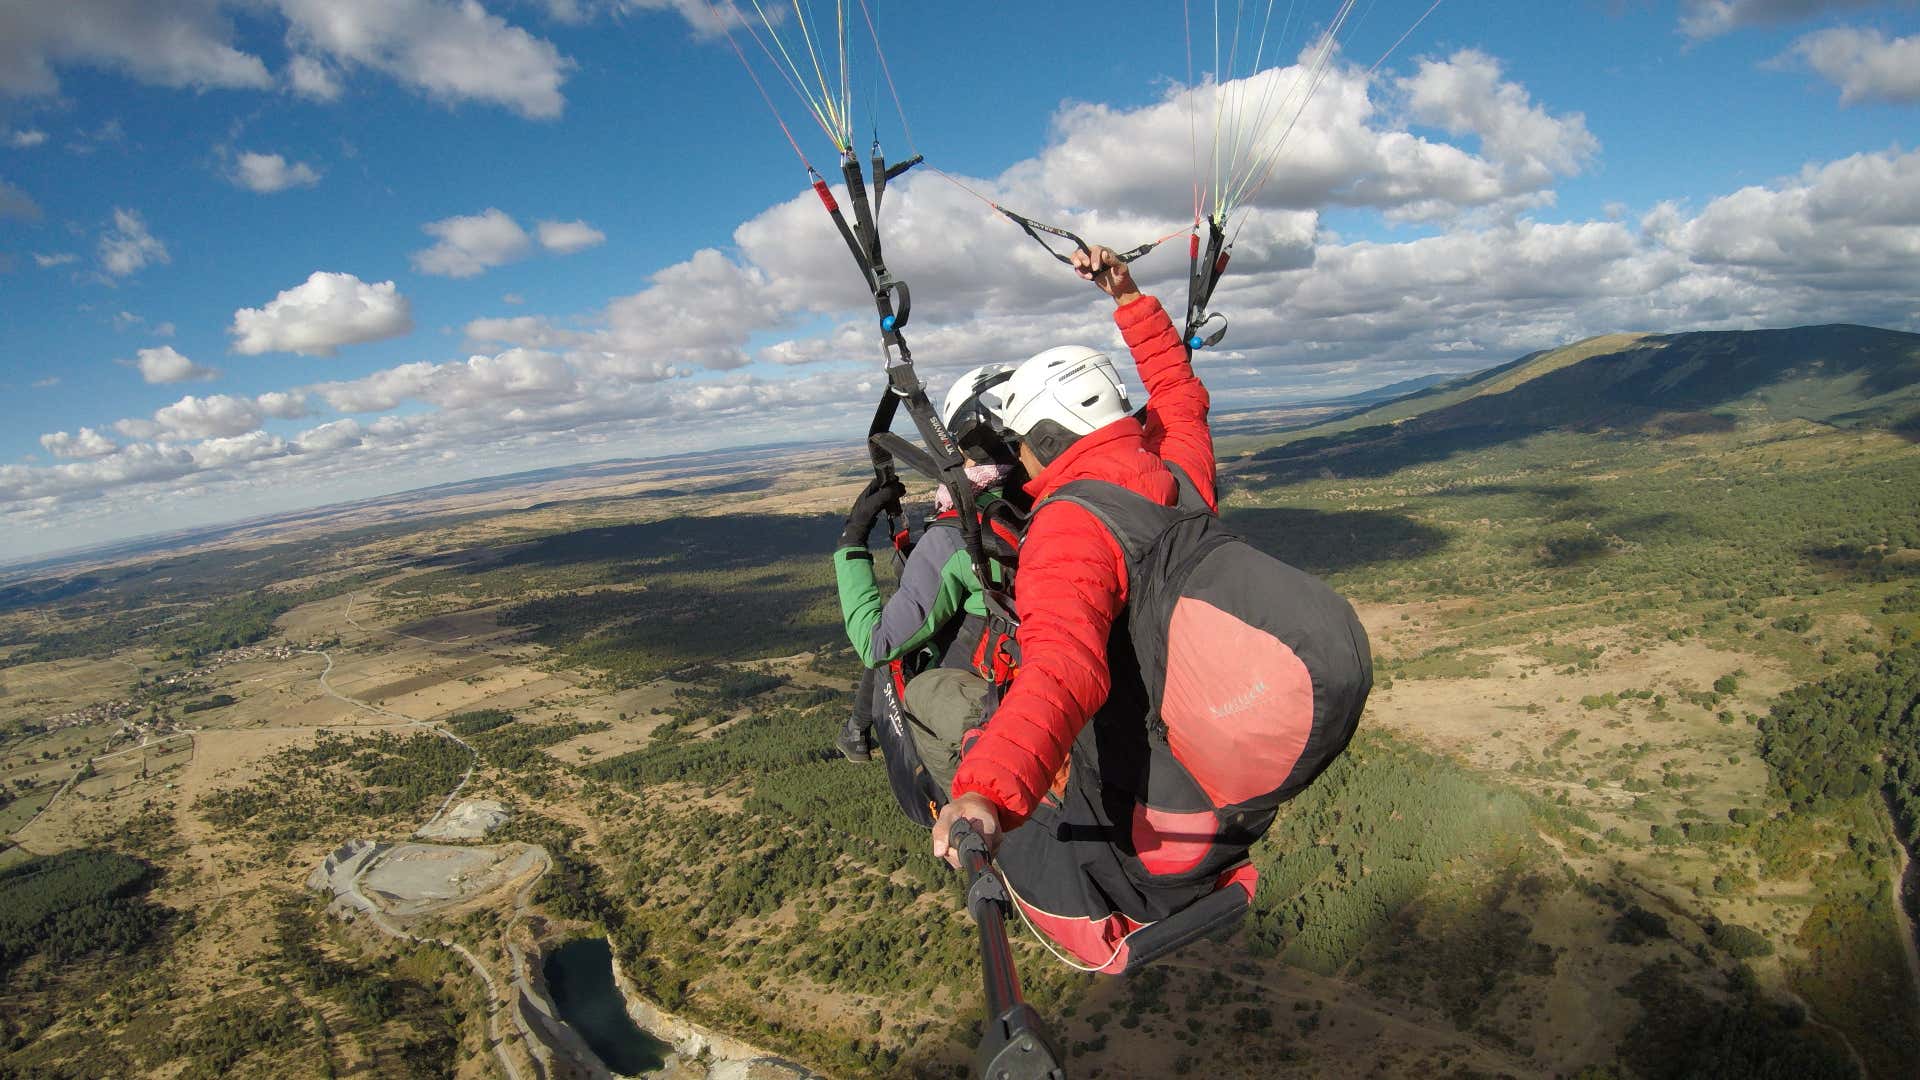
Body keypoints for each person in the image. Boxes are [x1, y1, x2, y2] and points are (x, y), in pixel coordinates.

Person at [831, 366, 1025, 798]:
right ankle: (856, 729)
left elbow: (875, 642)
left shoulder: (956, 537)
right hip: (1039, 669)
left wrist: (852, 540)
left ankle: (953, 796)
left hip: (990, 698)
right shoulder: (1037, 501)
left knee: (910, 676)